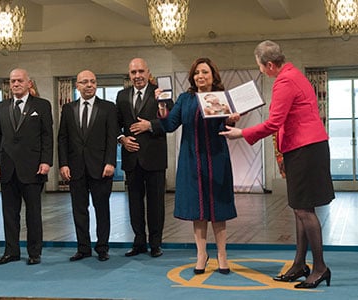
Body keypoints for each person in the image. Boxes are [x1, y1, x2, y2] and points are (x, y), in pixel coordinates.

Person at [220, 40, 334, 288]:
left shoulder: (284, 81)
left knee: (304, 210)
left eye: (260, 66)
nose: (260, 70)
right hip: (306, 147)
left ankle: (320, 267)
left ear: (270, 65)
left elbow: (273, 123)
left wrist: (242, 134)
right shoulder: (294, 74)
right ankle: (300, 264)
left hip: (305, 148)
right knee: (299, 207)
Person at [157, 57, 239, 275]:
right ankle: (201, 254)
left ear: (213, 76)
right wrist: (162, 106)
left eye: (205, 72)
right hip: (191, 160)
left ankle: (222, 254)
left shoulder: (222, 98)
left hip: (217, 158)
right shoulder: (185, 99)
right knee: (198, 210)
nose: (200, 76)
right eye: (196, 73)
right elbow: (169, 125)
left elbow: (225, 127)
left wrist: (231, 120)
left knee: (218, 210)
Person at [0, 68, 53, 265]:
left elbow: (47, 136)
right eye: (12, 81)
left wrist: (46, 161)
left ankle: (35, 253)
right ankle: (11, 252)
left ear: (29, 83)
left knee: (33, 213)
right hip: (7, 168)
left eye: (19, 81)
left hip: (33, 168)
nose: (15, 84)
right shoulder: (1, 106)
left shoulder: (42, 105)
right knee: (9, 213)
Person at [58, 70, 118, 262]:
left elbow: (112, 137)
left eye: (92, 81)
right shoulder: (68, 109)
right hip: (75, 169)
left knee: (102, 210)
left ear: (96, 84)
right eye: (84, 82)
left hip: (101, 168)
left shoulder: (108, 108)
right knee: (79, 210)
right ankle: (83, 248)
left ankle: (102, 248)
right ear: (77, 86)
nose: (89, 85)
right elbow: (62, 139)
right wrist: (63, 164)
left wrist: (110, 162)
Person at [116, 58, 173, 258]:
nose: (137, 75)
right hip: (131, 158)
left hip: (154, 157)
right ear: (129, 75)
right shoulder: (121, 96)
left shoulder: (161, 92)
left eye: (141, 71)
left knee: (156, 203)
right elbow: (116, 124)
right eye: (133, 72)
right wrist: (122, 138)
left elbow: (170, 121)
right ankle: (139, 241)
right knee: (134, 203)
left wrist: (150, 125)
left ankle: (156, 243)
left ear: (148, 72)